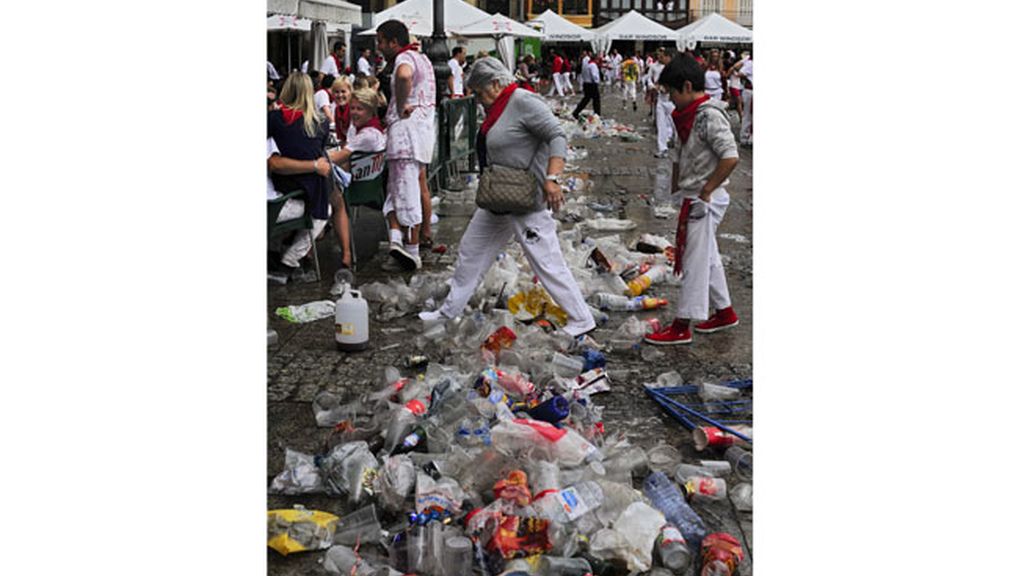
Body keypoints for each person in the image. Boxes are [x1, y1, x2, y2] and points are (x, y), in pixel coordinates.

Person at [418, 58, 596, 338]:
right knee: (470, 251)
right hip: (498, 196)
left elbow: (557, 136)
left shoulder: (523, 101)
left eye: (479, 92)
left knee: (546, 261)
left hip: (525, 198)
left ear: (495, 83)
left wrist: (552, 178)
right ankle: (448, 311)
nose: (478, 99)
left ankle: (581, 318)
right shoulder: (497, 107)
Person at [643, 55, 740, 346]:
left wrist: (707, 190)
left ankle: (682, 323)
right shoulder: (688, 115)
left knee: (694, 261)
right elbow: (681, 155)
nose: (670, 100)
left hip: (704, 198)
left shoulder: (708, 115)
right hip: (694, 194)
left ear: (687, 86)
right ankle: (724, 311)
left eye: (672, 92)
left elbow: (730, 156)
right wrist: (675, 191)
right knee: (707, 256)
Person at [267, 72, 353, 272]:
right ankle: (292, 258)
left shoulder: (274, 119)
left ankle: (281, 253)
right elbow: (319, 153)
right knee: (329, 207)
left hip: (283, 186)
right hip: (311, 190)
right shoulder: (321, 123)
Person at [376, 20, 436, 271]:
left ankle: (412, 252)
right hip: (421, 135)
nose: (379, 47)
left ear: (393, 42)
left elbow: (403, 76)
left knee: (406, 192)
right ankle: (399, 243)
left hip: (405, 136)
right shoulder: (424, 59)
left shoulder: (404, 59)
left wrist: (400, 106)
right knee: (400, 190)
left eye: (380, 41)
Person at [648, 49, 676, 158]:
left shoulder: (675, 68)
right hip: (661, 98)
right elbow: (650, 79)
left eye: (663, 56)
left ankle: (675, 141)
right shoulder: (655, 67)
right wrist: (654, 87)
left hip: (672, 99)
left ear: (668, 57)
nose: (661, 58)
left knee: (675, 123)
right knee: (661, 123)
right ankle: (662, 148)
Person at [572, 53, 601, 120]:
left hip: (586, 83)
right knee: (596, 99)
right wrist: (597, 82)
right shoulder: (593, 65)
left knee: (586, 99)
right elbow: (594, 75)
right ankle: (597, 113)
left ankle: (576, 111)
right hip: (592, 84)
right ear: (596, 59)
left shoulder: (587, 64)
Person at [330, 76, 353, 146]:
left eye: (343, 91)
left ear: (350, 92)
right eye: (337, 92)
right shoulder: (337, 110)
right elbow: (341, 139)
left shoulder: (354, 109)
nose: (340, 95)